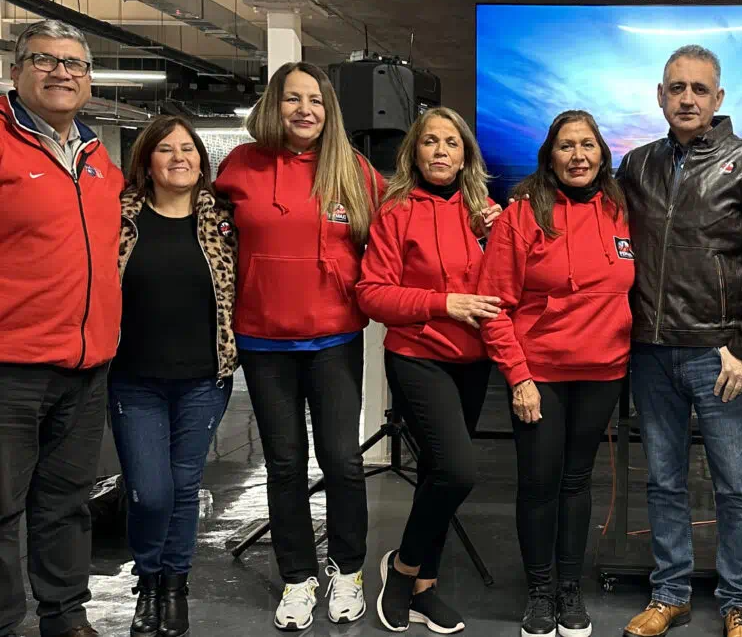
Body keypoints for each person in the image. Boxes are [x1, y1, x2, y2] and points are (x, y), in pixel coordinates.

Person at [617, 45, 742, 637]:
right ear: (660, 95)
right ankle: (669, 594)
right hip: (651, 350)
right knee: (663, 480)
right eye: (676, 88)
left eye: (699, 88)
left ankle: (737, 602)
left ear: (718, 98)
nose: (687, 98)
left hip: (722, 355)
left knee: (734, 485)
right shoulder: (636, 167)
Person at [214, 61, 382, 632]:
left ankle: (348, 570)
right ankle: (296, 577)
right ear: (274, 105)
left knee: (342, 461)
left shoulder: (353, 170)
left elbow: (397, 229)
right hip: (263, 341)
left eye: (315, 99)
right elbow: (205, 232)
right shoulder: (241, 165)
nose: (305, 109)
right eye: (293, 98)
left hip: (335, 338)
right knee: (284, 464)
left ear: (329, 109)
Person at [478, 110, 634, 637]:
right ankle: (540, 594)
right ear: (550, 156)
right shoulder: (522, 215)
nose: (578, 156)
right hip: (539, 371)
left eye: (587, 145)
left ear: (602, 153)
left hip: (603, 370)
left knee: (577, 480)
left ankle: (570, 589)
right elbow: (495, 305)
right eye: (566, 146)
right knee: (540, 483)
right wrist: (518, 377)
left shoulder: (621, 210)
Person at [357, 106, 502, 635]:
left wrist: (496, 237)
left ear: (466, 154)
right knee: (458, 469)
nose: (441, 151)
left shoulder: (483, 212)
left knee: (439, 474)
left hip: (472, 361)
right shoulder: (395, 212)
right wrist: (445, 304)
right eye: (430, 142)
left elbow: (501, 289)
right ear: (414, 152)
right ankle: (400, 571)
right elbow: (373, 294)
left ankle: (424, 584)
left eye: (452, 143)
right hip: (418, 358)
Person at [0, 20, 123, 637]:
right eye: (45, 60)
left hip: (85, 367)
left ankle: (65, 615)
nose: (61, 72)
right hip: (10, 368)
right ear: (15, 70)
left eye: (74, 64)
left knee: (67, 502)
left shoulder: (99, 159)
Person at [110, 115, 237, 637]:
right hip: (133, 377)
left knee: (185, 487)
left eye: (188, 148)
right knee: (150, 491)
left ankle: (173, 585)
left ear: (202, 162)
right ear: (147, 160)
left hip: (205, 379)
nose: (179, 157)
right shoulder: (118, 219)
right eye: (166, 149)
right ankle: (147, 577)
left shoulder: (223, 222)